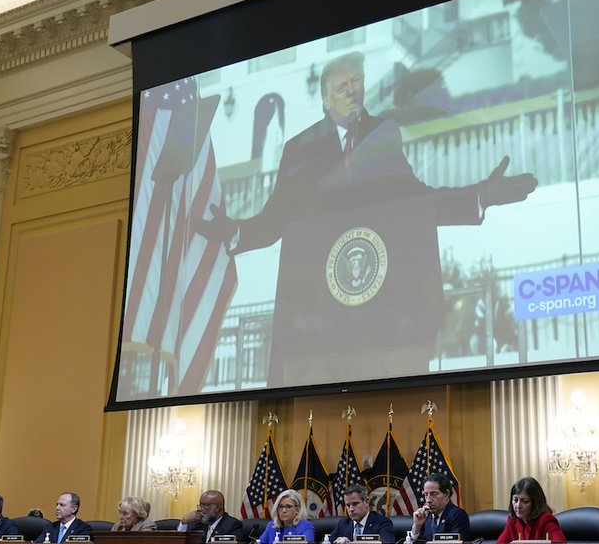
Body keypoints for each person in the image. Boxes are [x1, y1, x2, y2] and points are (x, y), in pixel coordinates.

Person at [198, 51, 538, 385]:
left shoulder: (383, 134)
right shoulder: (300, 148)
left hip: (378, 320)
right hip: (316, 319)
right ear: (325, 99)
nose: (352, 90)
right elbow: (274, 221)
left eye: (357, 81)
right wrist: (236, 231)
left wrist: (479, 196)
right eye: (342, 85)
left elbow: (416, 201)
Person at [497, 477, 565, 543]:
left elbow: (560, 542)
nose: (518, 506)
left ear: (535, 503)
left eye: (525, 501)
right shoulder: (513, 520)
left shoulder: (546, 520)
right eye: (515, 500)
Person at [409, 473, 472, 543]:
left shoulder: (457, 515)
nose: (428, 500)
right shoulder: (425, 516)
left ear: (446, 494)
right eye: (426, 494)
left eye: (434, 494)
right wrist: (416, 527)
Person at [328, 484, 395, 544]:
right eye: (348, 505)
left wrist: (350, 543)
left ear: (366, 502)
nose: (351, 509)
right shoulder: (343, 524)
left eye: (355, 504)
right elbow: (326, 541)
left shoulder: (382, 522)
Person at [178, 490, 245, 541]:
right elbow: (181, 541)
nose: (200, 509)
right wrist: (183, 522)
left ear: (218, 508)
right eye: (200, 505)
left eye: (205, 506)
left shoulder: (232, 525)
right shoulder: (196, 523)